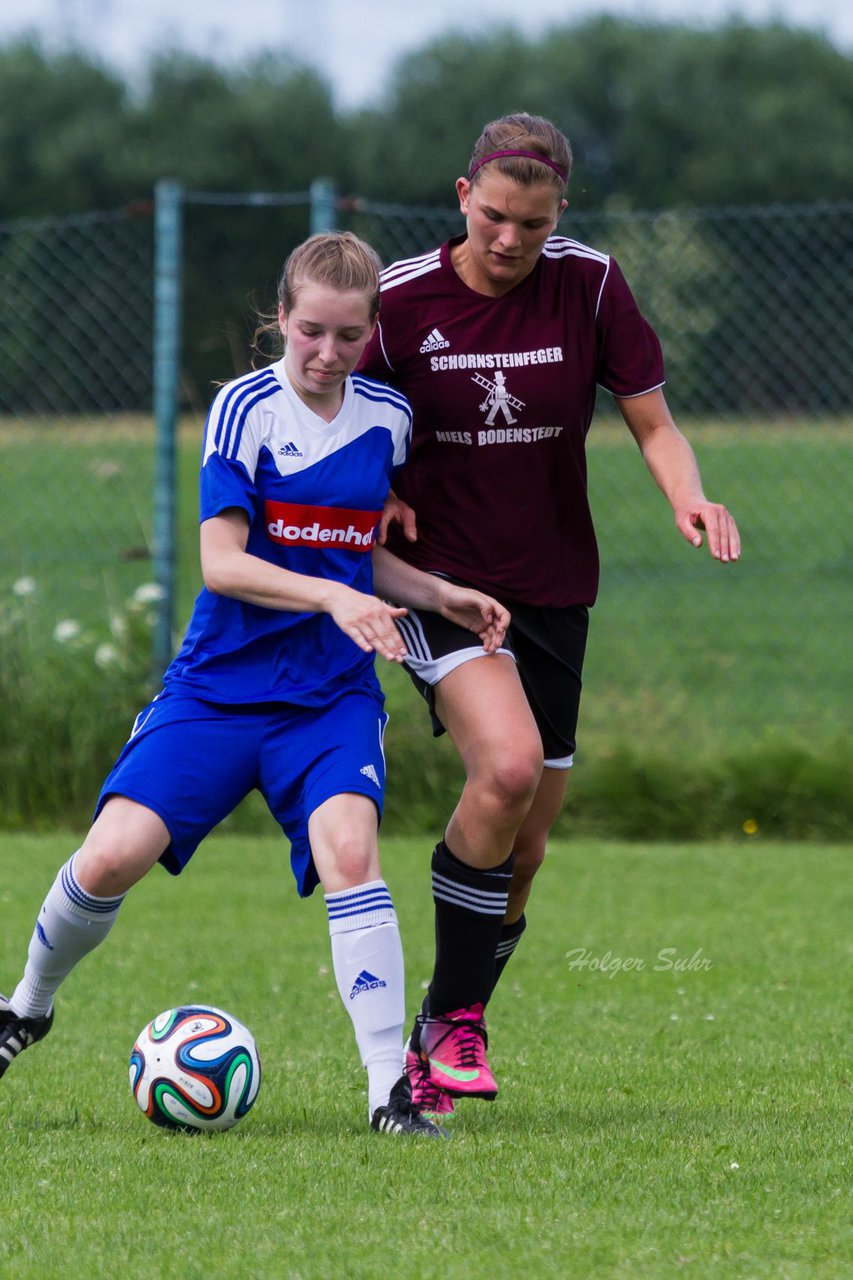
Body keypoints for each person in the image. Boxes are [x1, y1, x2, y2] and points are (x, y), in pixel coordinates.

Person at [0, 231, 510, 1139]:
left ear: (370, 331)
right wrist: (331, 596)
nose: (326, 353)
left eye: (349, 336)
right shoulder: (244, 408)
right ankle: (27, 1007)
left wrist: (439, 594)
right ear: (279, 319)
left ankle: (386, 1092)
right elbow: (222, 564)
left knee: (351, 849)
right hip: (218, 689)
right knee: (112, 854)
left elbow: (359, 555)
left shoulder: (386, 418)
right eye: (310, 330)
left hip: (328, 697)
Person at [358, 112, 741, 1118]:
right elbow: (342, 427)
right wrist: (377, 493)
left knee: (523, 844)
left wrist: (685, 493)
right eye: (492, 217)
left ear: (557, 211)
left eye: (531, 223)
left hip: (554, 585)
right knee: (509, 766)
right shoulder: (397, 304)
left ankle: (441, 1032)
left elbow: (653, 422)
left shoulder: (592, 282)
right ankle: (449, 1024)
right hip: (439, 583)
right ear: (460, 198)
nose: (509, 241)